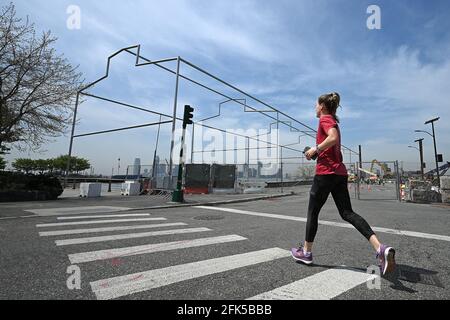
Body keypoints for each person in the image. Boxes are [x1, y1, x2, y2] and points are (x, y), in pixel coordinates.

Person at [291, 92, 396, 276]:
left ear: (322, 106)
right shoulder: (333, 121)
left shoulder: (325, 120)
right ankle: (380, 248)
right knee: (347, 213)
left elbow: (332, 138)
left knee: (313, 212)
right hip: (339, 173)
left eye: (316, 105)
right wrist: (318, 151)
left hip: (325, 173)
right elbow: (332, 141)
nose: (315, 108)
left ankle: (306, 253)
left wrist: (316, 148)